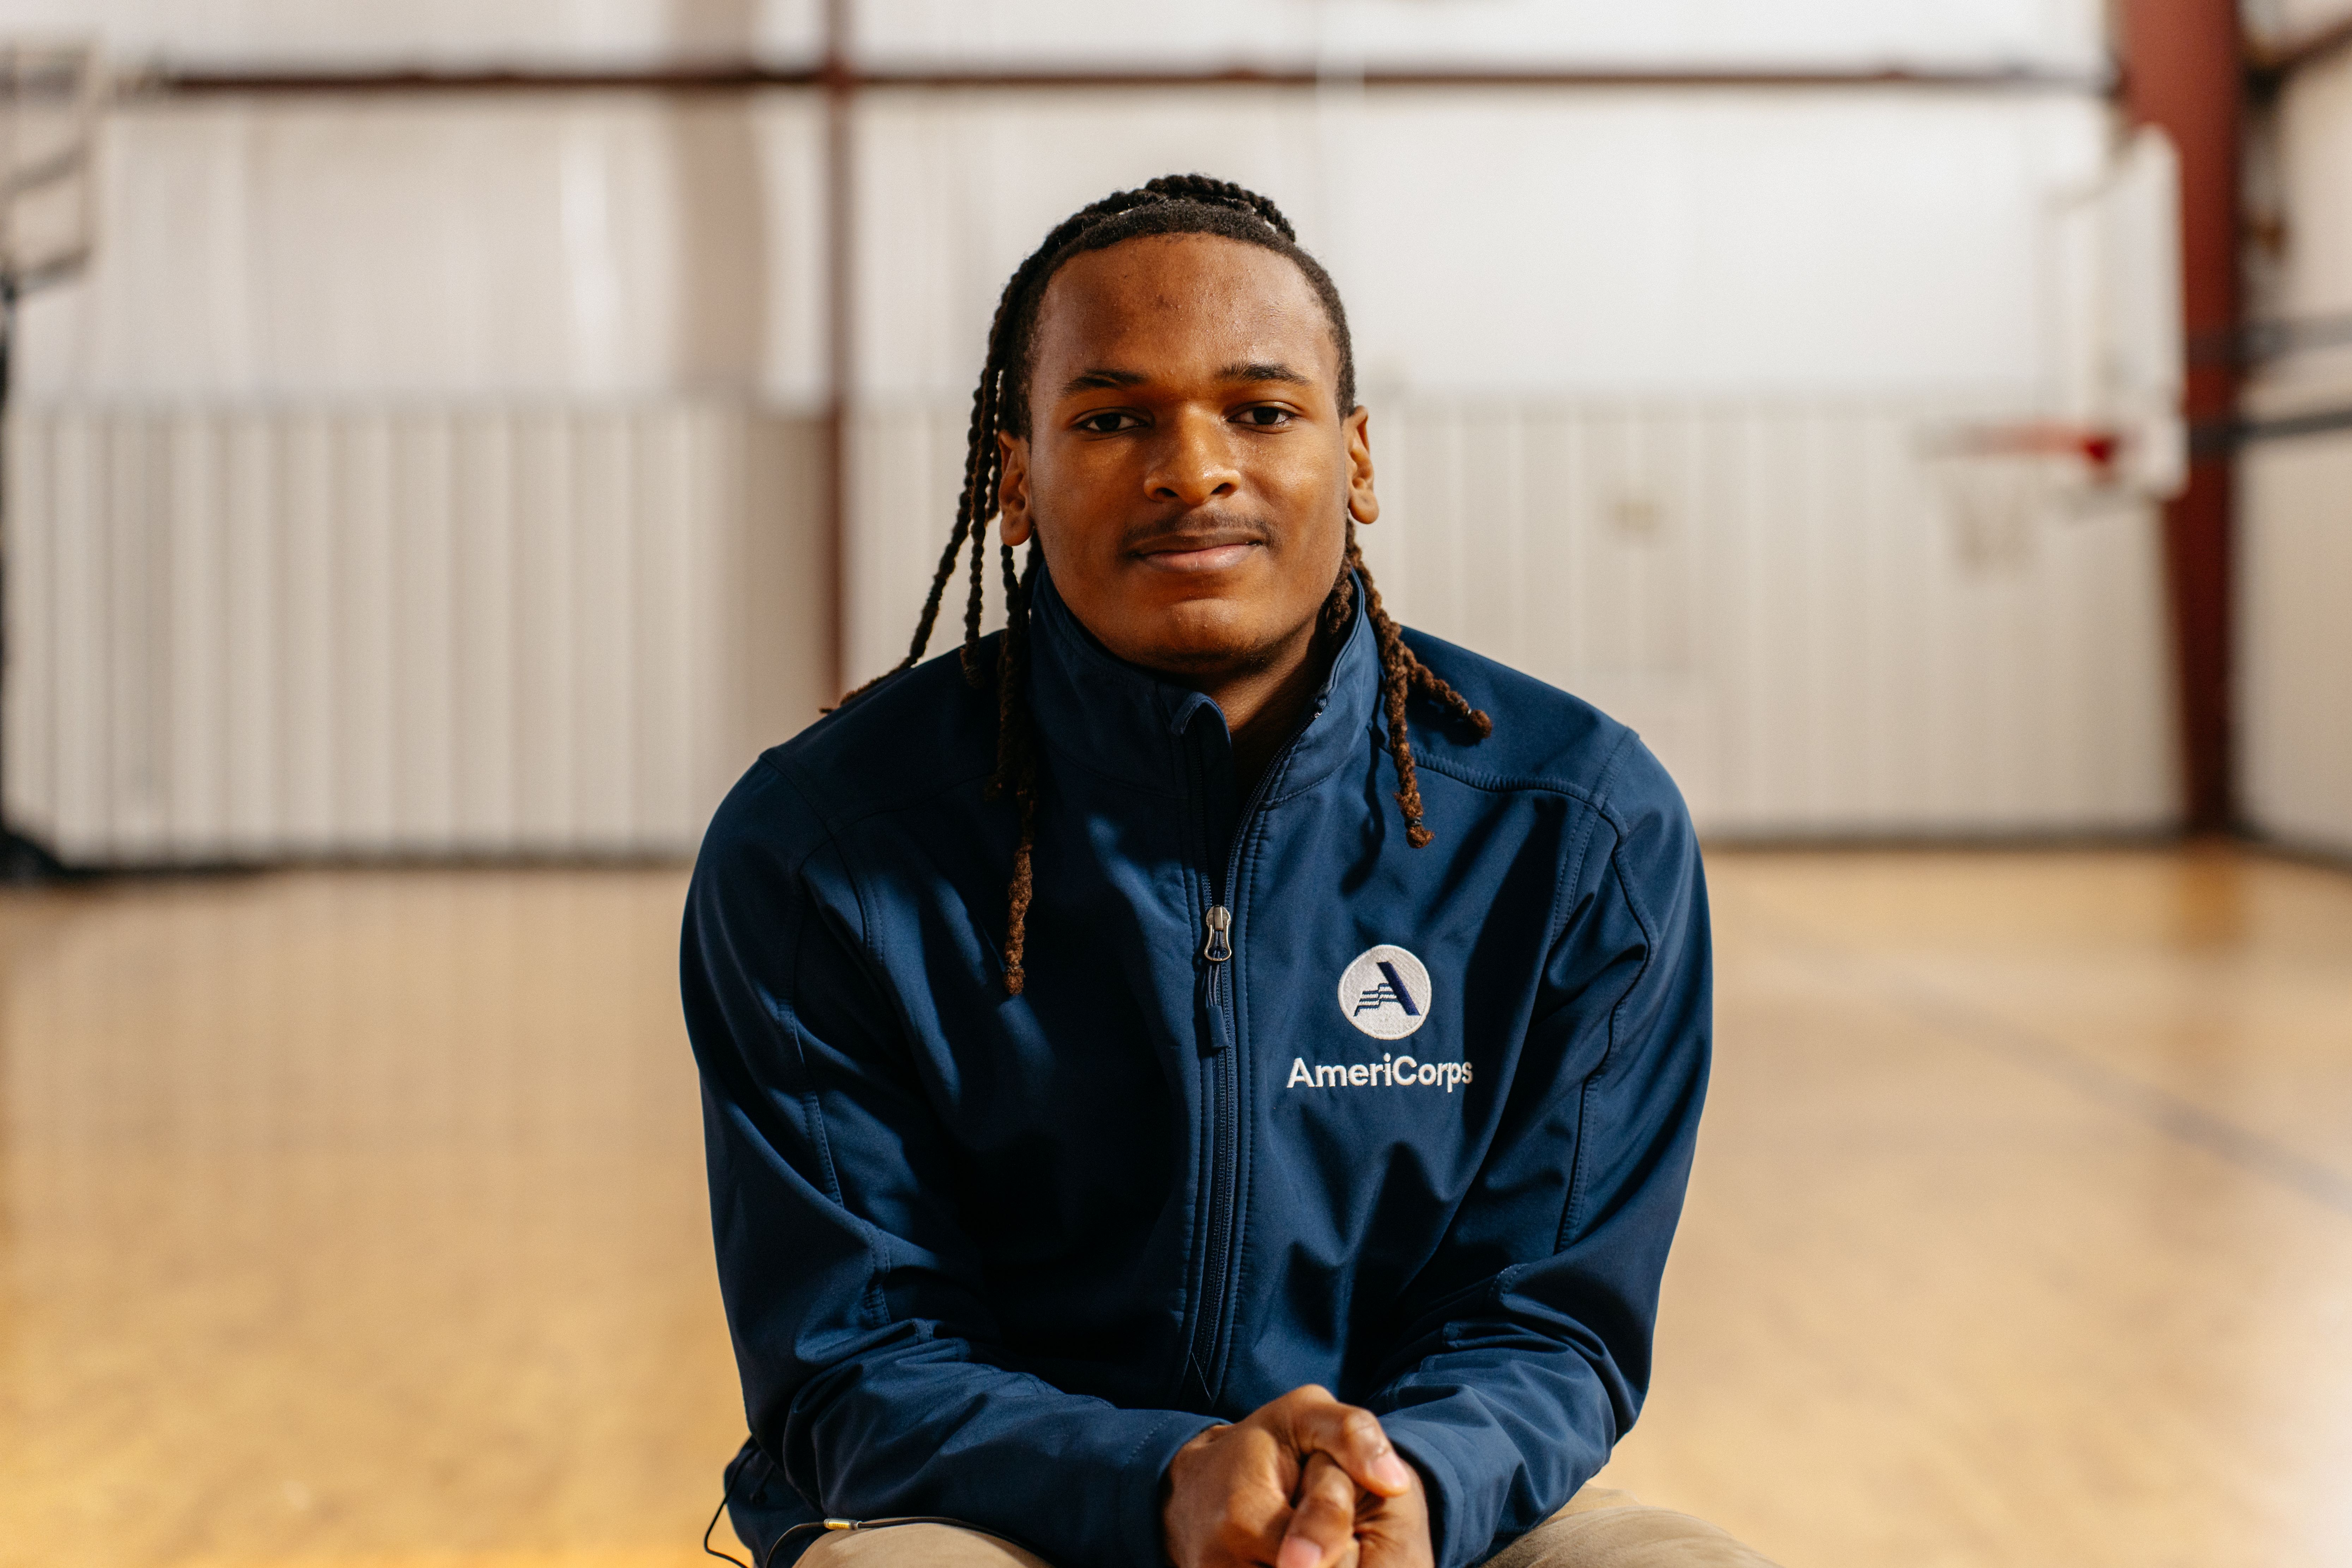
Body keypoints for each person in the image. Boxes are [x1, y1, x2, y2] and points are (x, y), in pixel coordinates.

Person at [682, 175, 1774, 1568]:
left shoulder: (1576, 827)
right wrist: (1166, 1479)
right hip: (1000, 1514)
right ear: (1015, 479)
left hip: (1410, 1505)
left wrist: (1404, 1484)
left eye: (1258, 411)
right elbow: (850, 1359)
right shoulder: (821, 849)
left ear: (1357, 458)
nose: (1192, 467)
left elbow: (1548, 1318)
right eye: (1111, 417)